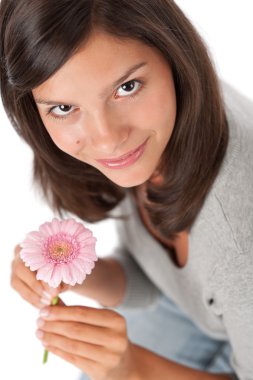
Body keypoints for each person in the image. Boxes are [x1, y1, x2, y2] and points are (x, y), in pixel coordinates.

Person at [1, 1, 252, 379]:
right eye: (65, 108)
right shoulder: (158, 132)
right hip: (205, 307)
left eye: (127, 87)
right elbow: (161, 279)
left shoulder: (240, 247)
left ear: (174, 54)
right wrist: (83, 273)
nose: (107, 140)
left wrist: (134, 369)